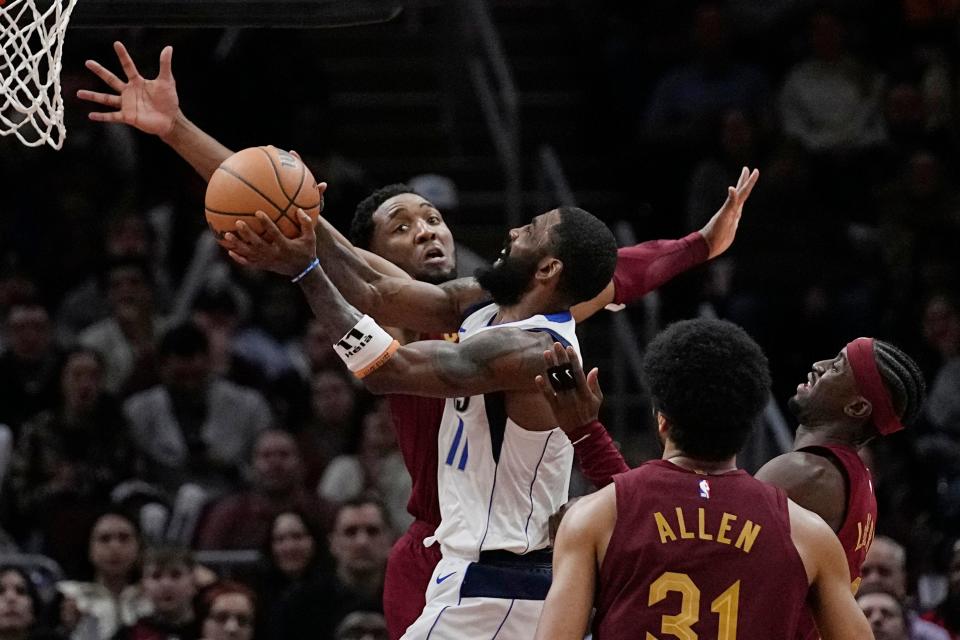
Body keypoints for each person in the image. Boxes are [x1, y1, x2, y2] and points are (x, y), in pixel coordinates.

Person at [79, 41, 758, 638]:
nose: (430, 230)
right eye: (403, 227)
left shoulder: (511, 326)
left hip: (499, 563)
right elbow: (277, 206)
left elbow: (620, 269)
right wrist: (176, 130)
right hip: (440, 548)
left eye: (433, 218)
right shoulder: (448, 303)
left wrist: (699, 245)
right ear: (371, 252)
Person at [533, 319, 873, 639]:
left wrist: (586, 434)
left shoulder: (593, 518)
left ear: (662, 421)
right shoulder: (808, 534)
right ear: (747, 427)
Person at [755, 337, 927, 638]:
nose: (818, 366)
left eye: (836, 367)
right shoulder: (857, 481)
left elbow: (722, 555)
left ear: (857, 407)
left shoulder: (804, 474)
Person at [195, 429, 331, 550]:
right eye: (266, 456)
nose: (275, 463)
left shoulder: (322, 511)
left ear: (301, 463)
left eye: (284, 455)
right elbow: (207, 565)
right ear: (252, 466)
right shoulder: (227, 514)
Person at [57, 510, 150, 640]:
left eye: (124, 538)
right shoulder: (67, 595)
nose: (115, 547)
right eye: (104, 539)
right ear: (89, 547)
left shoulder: (153, 594)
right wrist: (66, 629)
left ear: (139, 546)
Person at [860, 536, 950, 640]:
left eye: (884, 571)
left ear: (903, 579)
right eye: (864, 572)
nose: (874, 579)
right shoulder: (836, 630)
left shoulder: (932, 637)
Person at [113, 547, 201, 640]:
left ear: (194, 582)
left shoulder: (211, 628)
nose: (166, 584)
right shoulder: (129, 635)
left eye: (176, 575)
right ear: (143, 586)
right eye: (156, 576)